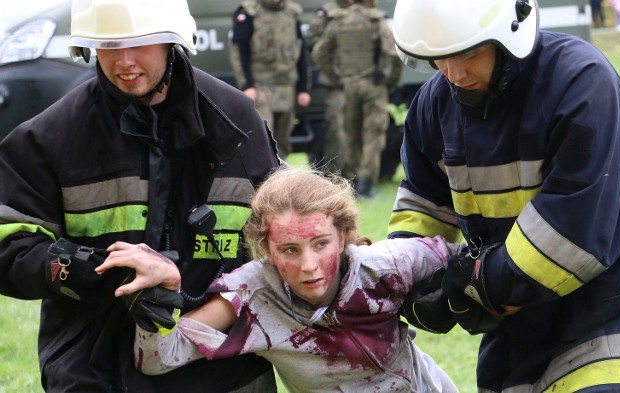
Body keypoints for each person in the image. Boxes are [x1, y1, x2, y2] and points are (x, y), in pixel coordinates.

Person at [0, 0, 282, 392]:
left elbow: (286, 228)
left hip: (222, 364)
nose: (125, 62)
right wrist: (93, 270)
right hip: (95, 366)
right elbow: (9, 243)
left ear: (173, 41)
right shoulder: (52, 137)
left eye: (142, 44)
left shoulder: (235, 123)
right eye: (109, 46)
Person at [389, 0, 620, 391]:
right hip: (515, 331)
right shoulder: (433, 105)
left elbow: (573, 239)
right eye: (440, 59)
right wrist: (401, 275)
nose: (454, 74)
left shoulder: (581, 83)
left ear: (510, 31)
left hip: (614, 313)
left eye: (468, 53)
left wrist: (468, 283)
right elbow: (423, 208)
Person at [120, 166, 461, 392]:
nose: (309, 266)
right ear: (265, 247)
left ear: (342, 236)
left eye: (321, 244)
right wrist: (161, 297)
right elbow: (159, 357)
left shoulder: (386, 266)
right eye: (290, 250)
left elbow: (473, 263)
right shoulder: (253, 295)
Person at [311, 0, 403, 198]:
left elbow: (319, 52)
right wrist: (390, 81)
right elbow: (394, 54)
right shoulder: (376, 21)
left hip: (347, 87)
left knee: (350, 135)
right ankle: (366, 185)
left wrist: (336, 78)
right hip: (373, 86)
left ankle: (351, 182)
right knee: (373, 136)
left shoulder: (339, 22)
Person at [230, 0, 312, 159]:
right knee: (264, 138)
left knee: (282, 141)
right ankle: (263, 180)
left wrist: (303, 89)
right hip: (261, 87)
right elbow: (239, 50)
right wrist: (247, 85)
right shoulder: (249, 12)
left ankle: (280, 180)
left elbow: (301, 52)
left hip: (286, 86)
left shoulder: (291, 12)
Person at [305, 0, 352, 174]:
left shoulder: (363, 9)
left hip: (359, 80)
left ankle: (357, 178)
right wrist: (332, 72)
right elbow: (313, 42)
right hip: (337, 85)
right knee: (337, 133)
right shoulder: (326, 12)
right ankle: (334, 176)